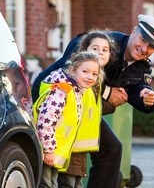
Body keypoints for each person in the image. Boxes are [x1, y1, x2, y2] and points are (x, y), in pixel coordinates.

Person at [32, 14, 154, 188]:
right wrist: (107, 93)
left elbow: (139, 89)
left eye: (151, 46)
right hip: (54, 103)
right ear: (134, 31)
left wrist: (150, 98)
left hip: (83, 109)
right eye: (143, 40)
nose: (144, 48)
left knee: (112, 149)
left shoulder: (141, 65)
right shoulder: (101, 44)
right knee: (56, 161)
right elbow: (71, 74)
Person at [57, 29, 119, 188]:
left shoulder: (95, 78)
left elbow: (93, 107)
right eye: (95, 48)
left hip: (80, 149)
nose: (100, 53)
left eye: (105, 50)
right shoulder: (78, 79)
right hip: (69, 146)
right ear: (84, 51)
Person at [34, 51, 104, 188]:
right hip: (48, 150)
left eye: (94, 74)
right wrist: (48, 150)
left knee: (52, 184)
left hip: (55, 152)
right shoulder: (61, 91)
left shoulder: (77, 90)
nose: (90, 77)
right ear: (73, 70)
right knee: (46, 185)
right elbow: (45, 121)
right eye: (85, 71)